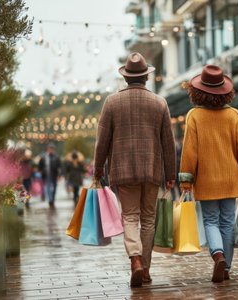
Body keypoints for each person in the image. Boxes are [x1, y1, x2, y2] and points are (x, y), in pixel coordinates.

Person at [93, 52, 176, 287]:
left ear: (126, 78)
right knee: (149, 219)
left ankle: (135, 260)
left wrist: (98, 169)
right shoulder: (160, 102)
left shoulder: (112, 102)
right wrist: (171, 175)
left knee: (129, 216)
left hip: (123, 170)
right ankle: (146, 269)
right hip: (152, 170)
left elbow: (102, 141)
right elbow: (168, 143)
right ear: (146, 78)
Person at [179, 65, 238, 283]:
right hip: (230, 177)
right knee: (228, 222)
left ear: (198, 92)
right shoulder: (233, 115)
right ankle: (227, 268)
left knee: (210, 221)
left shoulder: (194, 116)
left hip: (206, 178)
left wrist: (186, 179)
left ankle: (218, 255)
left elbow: (189, 151)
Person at [38, 143, 62, 208]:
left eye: (52, 149)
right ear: (48, 149)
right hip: (46, 175)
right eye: (50, 148)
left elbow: (60, 167)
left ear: (54, 149)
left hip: (54, 175)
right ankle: (50, 200)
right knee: (48, 188)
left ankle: (53, 199)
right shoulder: (44, 156)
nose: (51, 150)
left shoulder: (57, 157)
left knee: (54, 188)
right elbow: (40, 165)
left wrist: (59, 176)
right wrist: (41, 172)